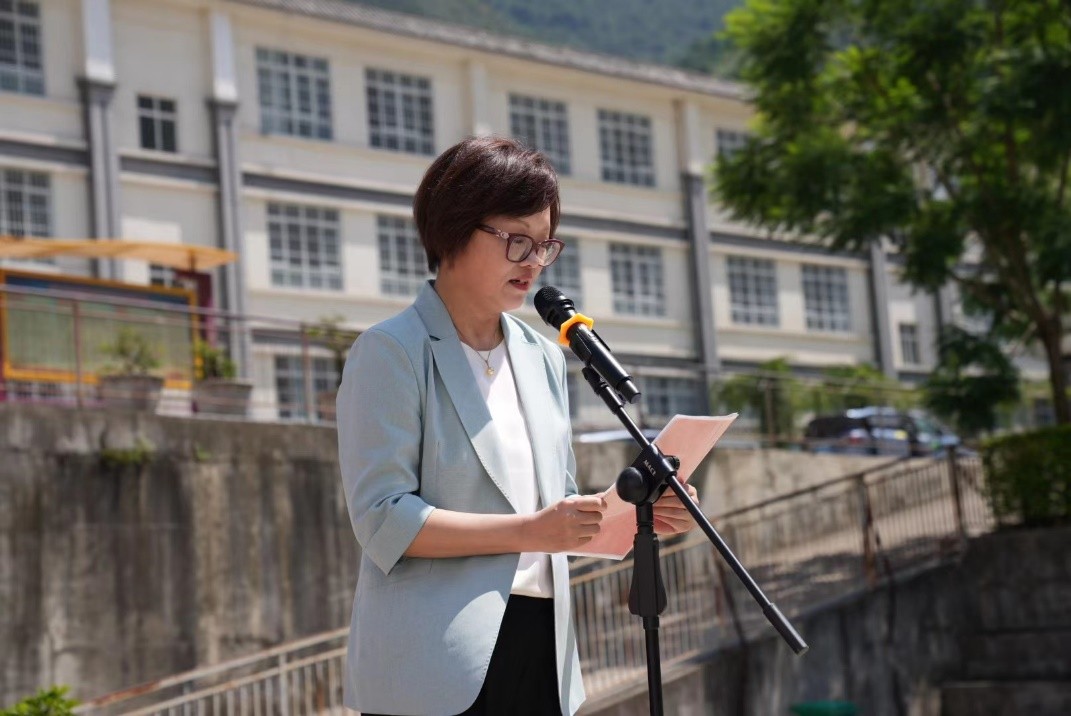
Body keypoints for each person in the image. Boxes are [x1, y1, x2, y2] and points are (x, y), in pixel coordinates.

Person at [336, 136, 698, 716]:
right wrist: (531, 530)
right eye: (517, 241)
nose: (533, 262)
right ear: (454, 228)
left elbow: (556, 512)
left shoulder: (544, 356)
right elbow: (383, 519)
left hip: (545, 651)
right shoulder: (391, 351)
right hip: (436, 664)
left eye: (544, 244)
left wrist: (637, 516)